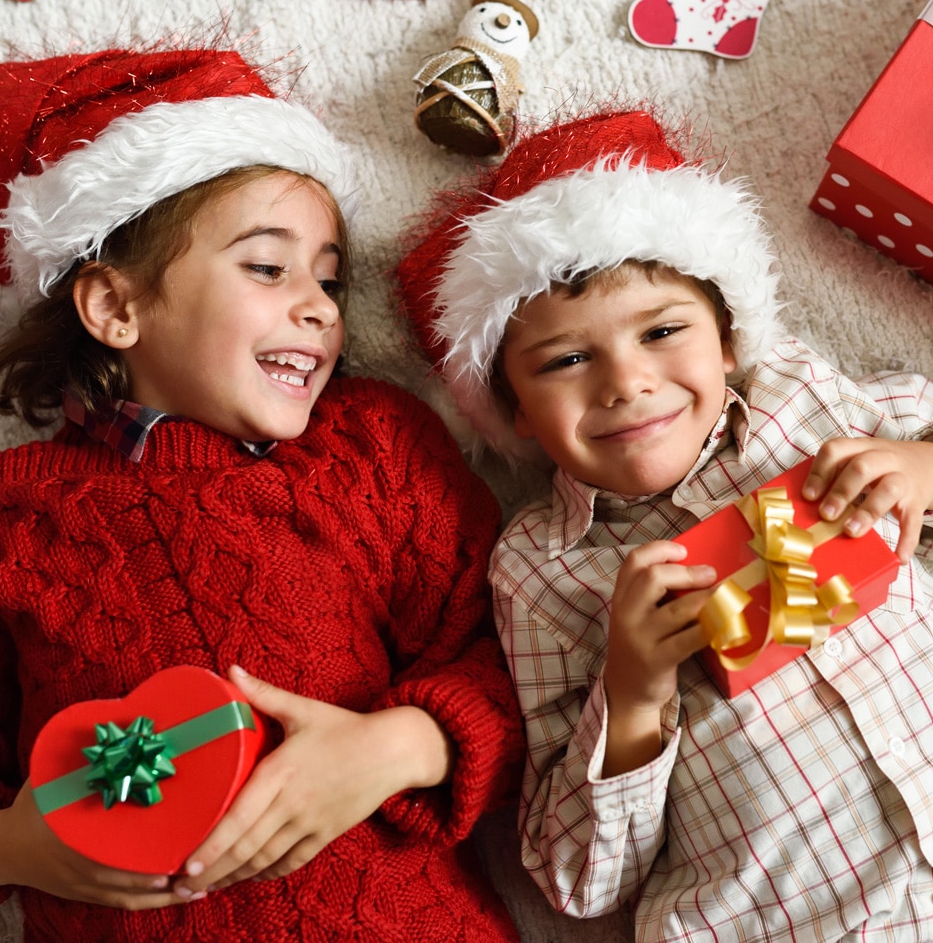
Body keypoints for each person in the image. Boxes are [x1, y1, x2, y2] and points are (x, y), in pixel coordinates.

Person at [0, 47, 525, 943]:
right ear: (114, 308)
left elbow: (522, 658)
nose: (324, 307)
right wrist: (14, 847)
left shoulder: (374, 445)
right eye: (267, 268)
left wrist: (397, 746)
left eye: (330, 278)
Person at [394, 108, 933, 942]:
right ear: (518, 415)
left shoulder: (808, 398)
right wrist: (634, 688)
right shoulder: (540, 569)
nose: (626, 383)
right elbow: (577, 881)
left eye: (663, 331)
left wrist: (922, 471)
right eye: (567, 360)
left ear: (727, 343)